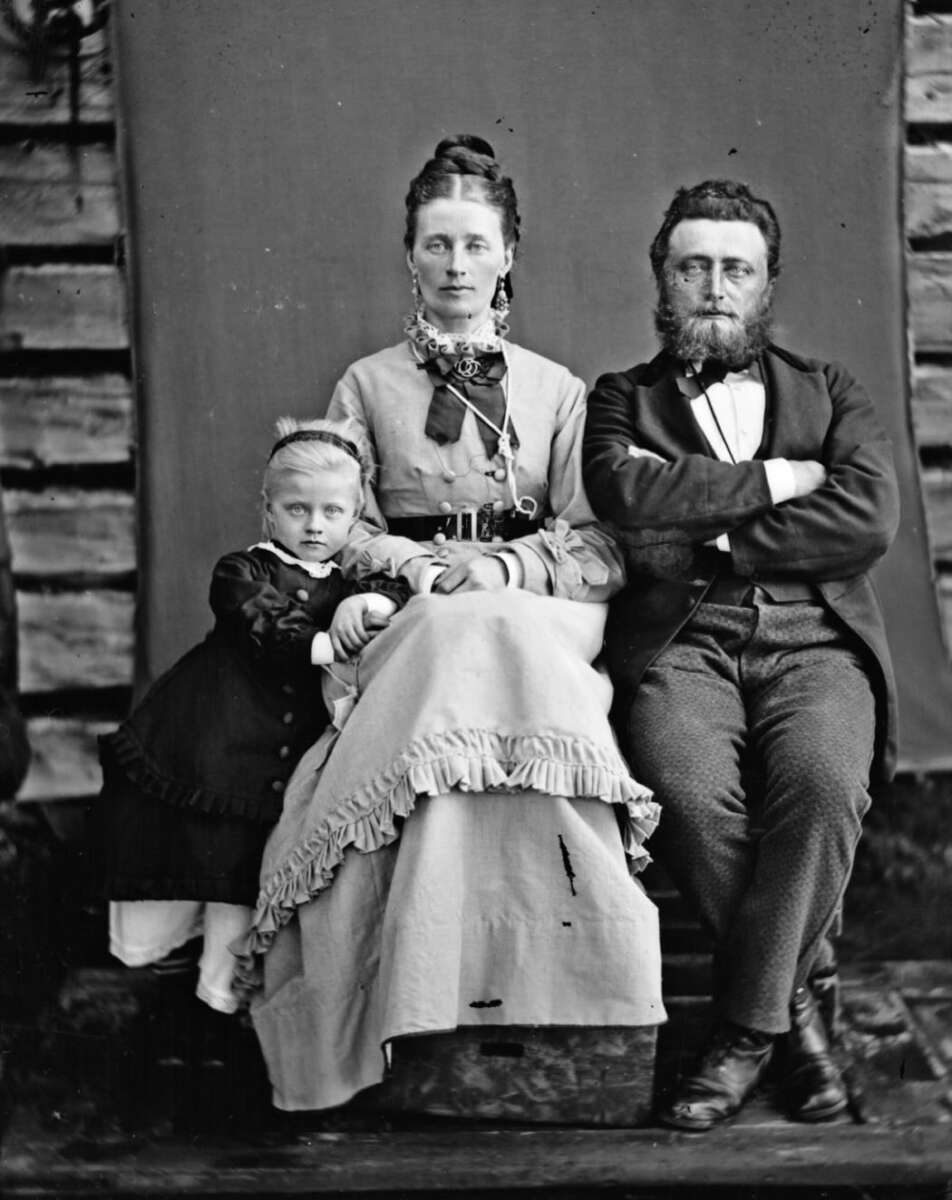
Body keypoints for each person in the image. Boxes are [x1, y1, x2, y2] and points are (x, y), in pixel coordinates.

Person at [239, 135, 664, 1114]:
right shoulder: (365, 386)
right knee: (450, 632)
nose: (457, 267)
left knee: (504, 628)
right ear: (411, 257)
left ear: (508, 252)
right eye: (438, 246)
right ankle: (412, 986)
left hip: (534, 607)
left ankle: (577, 982)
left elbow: (599, 545)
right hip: (412, 604)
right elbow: (336, 529)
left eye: (476, 246)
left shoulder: (557, 391)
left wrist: (506, 565)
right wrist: (425, 568)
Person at [582, 179, 899, 1131]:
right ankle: (799, 1011)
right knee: (678, 787)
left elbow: (868, 515)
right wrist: (779, 479)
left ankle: (748, 1029)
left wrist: (717, 535)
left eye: (736, 269)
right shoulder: (620, 398)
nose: (714, 287)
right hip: (684, 639)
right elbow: (624, 496)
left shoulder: (831, 390)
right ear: (662, 280)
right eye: (694, 268)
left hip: (816, 639)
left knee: (822, 784)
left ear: (766, 287)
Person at [96, 417, 410, 1018]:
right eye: (296, 510)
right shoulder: (244, 570)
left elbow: (392, 592)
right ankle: (164, 977)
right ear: (268, 512)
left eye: (331, 512)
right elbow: (258, 621)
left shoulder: (350, 580)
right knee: (191, 853)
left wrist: (373, 601)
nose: (314, 526)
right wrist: (325, 644)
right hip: (210, 738)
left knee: (244, 871)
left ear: (355, 515)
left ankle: (222, 997)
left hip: (276, 756)